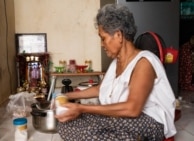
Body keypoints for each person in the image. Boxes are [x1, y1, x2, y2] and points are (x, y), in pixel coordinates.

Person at [55, 4, 176, 141]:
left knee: (89, 132)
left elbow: (133, 109)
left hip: (149, 122)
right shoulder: (115, 63)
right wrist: (67, 96)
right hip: (122, 118)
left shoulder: (144, 62)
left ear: (118, 35)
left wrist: (81, 107)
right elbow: (101, 88)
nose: (102, 44)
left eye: (103, 38)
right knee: (67, 123)